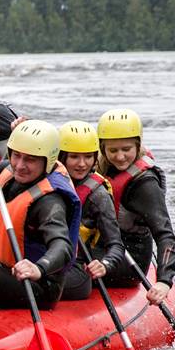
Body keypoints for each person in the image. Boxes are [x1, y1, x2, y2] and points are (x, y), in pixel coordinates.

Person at [0, 119, 81, 310]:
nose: (19, 165)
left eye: (30, 159)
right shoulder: (10, 171)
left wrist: (39, 268)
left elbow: (62, 245)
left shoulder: (49, 201)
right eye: (16, 155)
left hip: (37, 286)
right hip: (4, 268)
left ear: (47, 161)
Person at [94, 109, 175, 306]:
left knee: (71, 265)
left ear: (138, 145)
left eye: (126, 149)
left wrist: (164, 281)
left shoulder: (144, 185)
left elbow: (165, 234)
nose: (121, 156)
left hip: (129, 258)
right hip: (102, 246)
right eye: (113, 150)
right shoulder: (96, 164)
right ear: (102, 148)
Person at [57, 120, 125, 301]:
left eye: (88, 157)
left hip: (76, 267)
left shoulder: (98, 196)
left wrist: (105, 265)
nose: (82, 164)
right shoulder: (46, 179)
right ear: (61, 156)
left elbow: (116, 245)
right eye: (74, 157)